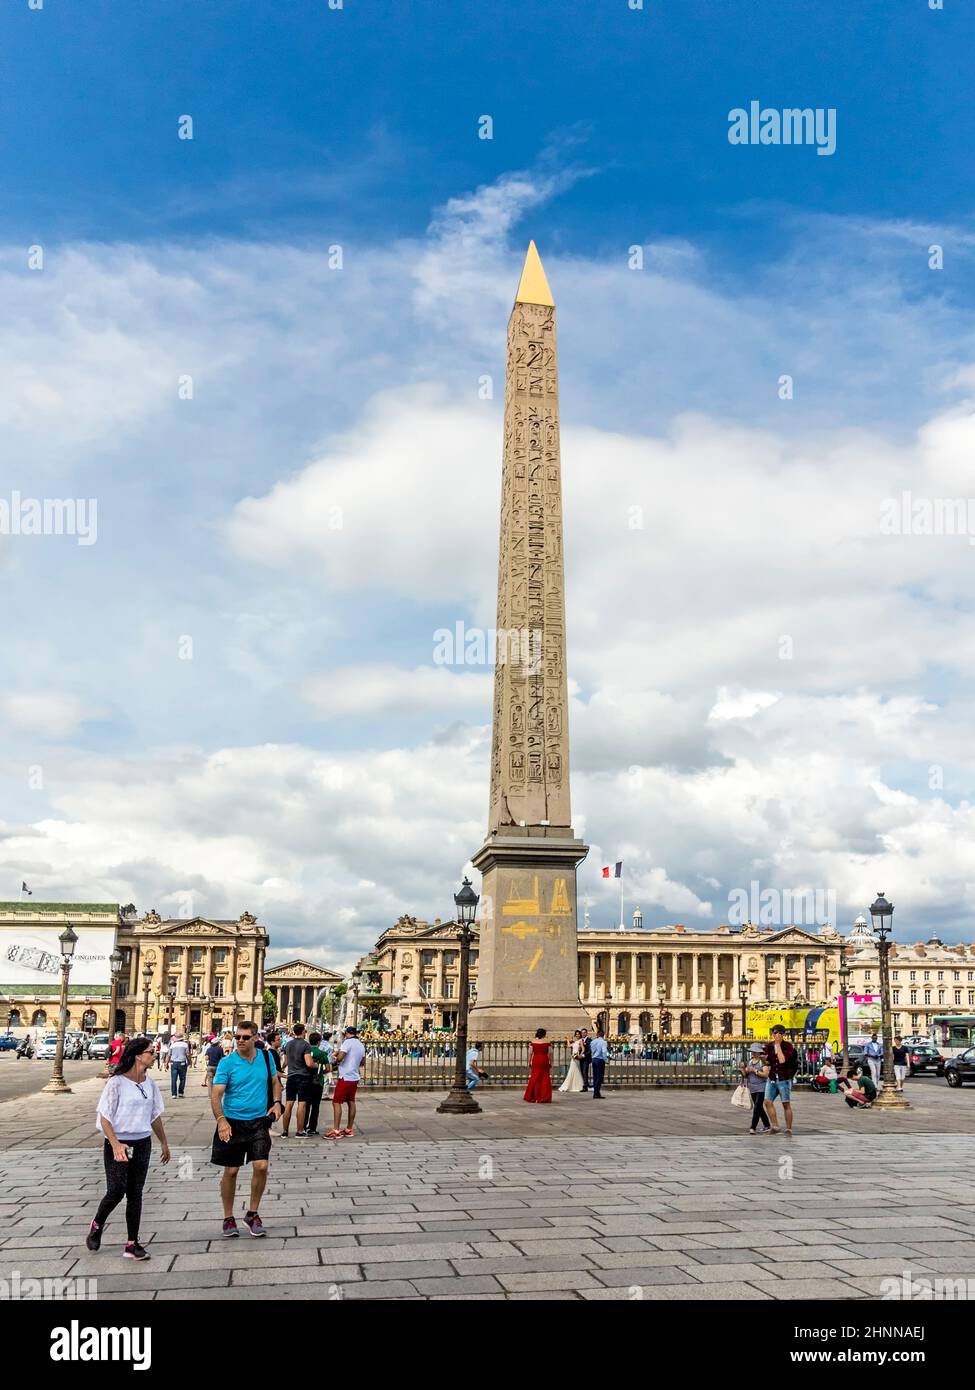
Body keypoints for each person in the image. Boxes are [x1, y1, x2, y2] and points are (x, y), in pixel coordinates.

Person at [87, 1035, 171, 1261]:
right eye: (151, 1052)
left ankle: (132, 1243)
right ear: (138, 1056)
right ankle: (97, 1224)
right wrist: (115, 1144)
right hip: (119, 1142)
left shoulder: (150, 1083)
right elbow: (104, 1118)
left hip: (142, 1142)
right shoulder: (116, 1083)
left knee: (135, 1193)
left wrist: (163, 1142)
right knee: (116, 1190)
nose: (155, 1055)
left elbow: (155, 1116)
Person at [210, 1019, 283, 1237]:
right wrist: (221, 1120)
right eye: (237, 1037)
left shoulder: (267, 1057)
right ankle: (228, 1217)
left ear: (255, 1038)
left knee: (261, 1166)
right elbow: (216, 1095)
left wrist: (277, 1102)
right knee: (231, 1171)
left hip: (259, 1120)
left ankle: (252, 1214)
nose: (240, 1041)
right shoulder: (227, 1063)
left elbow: (275, 1082)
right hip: (232, 1121)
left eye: (245, 1037)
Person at [327, 1026, 366, 1138]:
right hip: (354, 1076)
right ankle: (349, 1129)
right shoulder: (360, 1044)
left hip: (345, 1076)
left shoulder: (347, 1043)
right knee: (351, 1101)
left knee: (336, 1102)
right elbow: (362, 1062)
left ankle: (336, 1129)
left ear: (347, 1034)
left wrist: (335, 1056)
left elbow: (340, 1058)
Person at [281, 1023, 315, 1137]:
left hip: (291, 1076)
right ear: (303, 1031)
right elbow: (309, 1063)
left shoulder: (288, 1044)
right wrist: (317, 1065)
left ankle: (285, 1131)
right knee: (302, 1104)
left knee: (289, 1104)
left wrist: (282, 1069)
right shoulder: (306, 1045)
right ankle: (300, 1131)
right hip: (303, 1077)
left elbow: (285, 1062)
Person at [763, 1025, 798, 1135]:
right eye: (775, 1033)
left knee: (785, 1103)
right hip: (772, 1077)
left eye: (780, 1033)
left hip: (784, 1078)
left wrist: (778, 1044)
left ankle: (788, 1128)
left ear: (784, 1035)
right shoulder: (769, 1046)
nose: (777, 1035)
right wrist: (764, 1060)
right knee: (767, 1101)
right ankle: (775, 1125)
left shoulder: (788, 1046)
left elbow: (782, 1060)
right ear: (772, 1034)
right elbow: (768, 1062)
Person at [302, 1030, 331, 1135]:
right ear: (319, 1042)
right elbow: (328, 1068)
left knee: (306, 1105)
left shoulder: (306, 1052)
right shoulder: (322, 1054)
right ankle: (312, 1127)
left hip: (306, 1081)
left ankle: (303, 1126)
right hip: (318, 1082)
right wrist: (321, 1071)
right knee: (315, 1106)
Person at [740, 1042, 771, 1133]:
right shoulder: (750, 1061)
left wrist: (754, 1070)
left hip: (761, 1087)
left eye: (755, 1051)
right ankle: (767, 1125)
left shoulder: (762, 1062)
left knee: (757, 1107)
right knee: (759, 1108)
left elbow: (765, 1074)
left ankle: (753, 1127)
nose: (753, 1053)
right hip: (752, 1088)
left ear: (759, 1052)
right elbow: (745, 1075)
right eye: (752, 1051)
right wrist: (743, 1069)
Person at [523, 1028, 553, 1103]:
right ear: (544, 1034)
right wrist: (551, 1062)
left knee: (535, 1077)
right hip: (544, 1060)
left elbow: (530, 1053)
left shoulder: (533, 1042)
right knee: (545, 1078)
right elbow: (550, 1053)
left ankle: (534, 1096)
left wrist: (529, 1062)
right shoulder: (547, 1042)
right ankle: (544, 1096)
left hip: (536, 1060)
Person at [168, 1033, 190, 1098]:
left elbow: (169, 1055)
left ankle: (174, 1094)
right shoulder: (185, 1045)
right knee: (182, 1078)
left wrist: (166, 1063)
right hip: (182, 1063)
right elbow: (187, 1054)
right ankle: (180, 1092)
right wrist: (189, 1061)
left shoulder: (172, 1045)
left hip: (173, 1063)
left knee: (173, 1079)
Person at [589, 1027, 609, 1099]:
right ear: (603, 1035)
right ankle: (596, 1092)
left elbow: (591, 1050)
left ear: (597, 1034)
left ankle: (595, 1092)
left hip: (594, 1059)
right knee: (600, 1077)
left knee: (595, 1076)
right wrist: (606, 1060)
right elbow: (604, 1051)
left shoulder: (593, 1042)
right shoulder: (603, 1042)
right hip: (600, 1060)